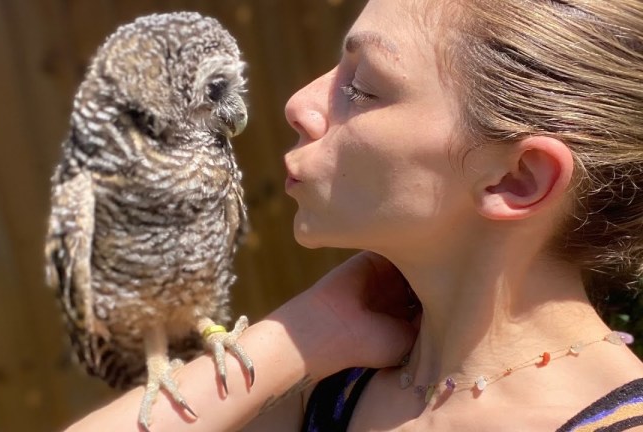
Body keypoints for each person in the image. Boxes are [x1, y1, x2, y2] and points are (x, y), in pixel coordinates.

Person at [65, 0, 643, 430]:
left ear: (517, 179)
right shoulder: (330, 392)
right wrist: (306, 332)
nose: (298, 105)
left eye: (362, 88)